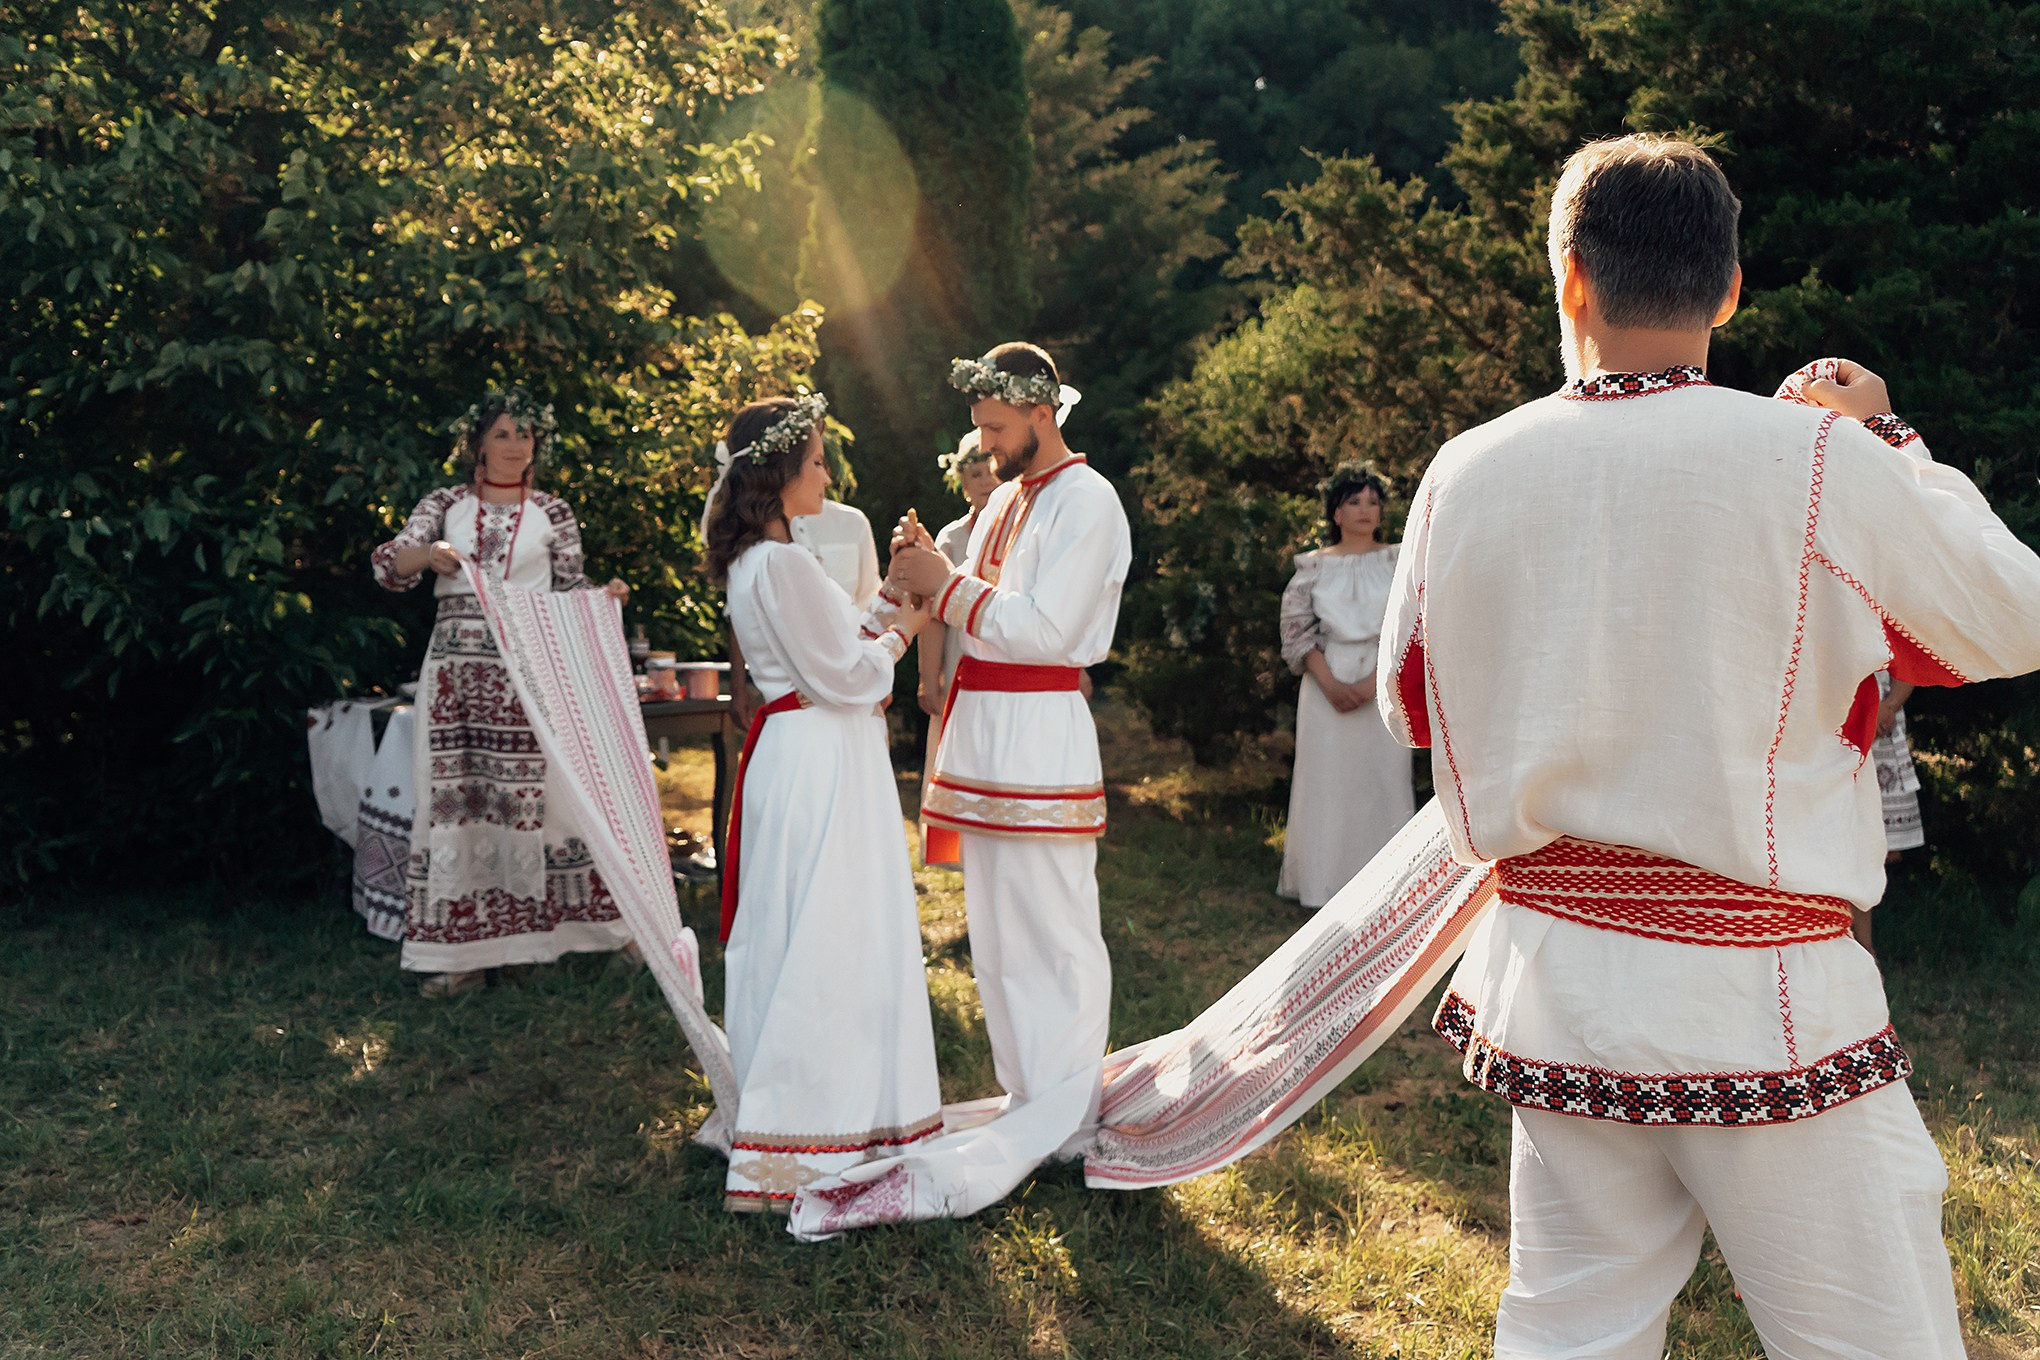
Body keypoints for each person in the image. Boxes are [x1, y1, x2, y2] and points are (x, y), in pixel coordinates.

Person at [1376, 134, 2040, 1358]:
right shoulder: (1818, 461)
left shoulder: (1462, 473)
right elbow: (2011, 614)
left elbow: (1413, 704)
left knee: (1570, 1333)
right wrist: (1891, 438)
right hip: (1764, 994)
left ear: (1568, 277)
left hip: (1559, 985)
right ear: (1731, 289)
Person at [789, 343, 1130, 1237]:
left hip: (1043, 735)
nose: (983, 446)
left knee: (1054, 930)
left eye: (995, 428)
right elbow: (959, 605)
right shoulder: (1005, 502)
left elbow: (1050, 630)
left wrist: (949, 587)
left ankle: (1070, 1115)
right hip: (980, 736)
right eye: (977, 429)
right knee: (999, 935)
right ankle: (1032, 1097)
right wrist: (921, 576)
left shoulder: (1090, 500)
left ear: (1042, 412)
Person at [705, 394, 945, 1214]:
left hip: (797, 752)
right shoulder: (783, 563)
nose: (827, 474)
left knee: (795, 923)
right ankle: (809, 1136)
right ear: (777, 473)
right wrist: (908, 629)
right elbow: (845, 675)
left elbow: (832, 637)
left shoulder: (766, 562)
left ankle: (823, 1120)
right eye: (815, 461)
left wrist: (888, 596)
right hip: (819, 757)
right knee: (828, 932)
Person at [372, 389, 635, 996]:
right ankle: (464, 958)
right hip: (456, 679)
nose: (517, 445)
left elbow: (570, 589)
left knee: (549, 801)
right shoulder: (444, 505)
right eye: (503, 434)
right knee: (459, 806)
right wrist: (429, 553)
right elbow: (388, 567)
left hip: (528, 673)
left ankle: (599, 931)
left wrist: (605, 599)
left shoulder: (554, 512)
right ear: (478, 445)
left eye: (525, 434)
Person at [1276, 463, 1414, 909]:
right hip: (1325, 684)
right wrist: (1331, 684)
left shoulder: (1400, 560)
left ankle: (1387, 889)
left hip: (1383, 681)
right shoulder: (1313, 567)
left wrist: (1375, 684)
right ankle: (1323, 885)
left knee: (1382, 782)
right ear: (1336, 511)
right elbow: (1297, 630)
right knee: (1328, 785)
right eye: (1355, 501)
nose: (1366, 510)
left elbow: (1413, 625)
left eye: (1373, 502)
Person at [915, 428, 1003, 869]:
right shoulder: (951, 539)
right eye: (974, 473)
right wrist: (928, 678)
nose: (984, 481)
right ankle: (961, 858)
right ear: (962, 482)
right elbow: (932, 614)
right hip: (961, 662)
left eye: (990, 471)